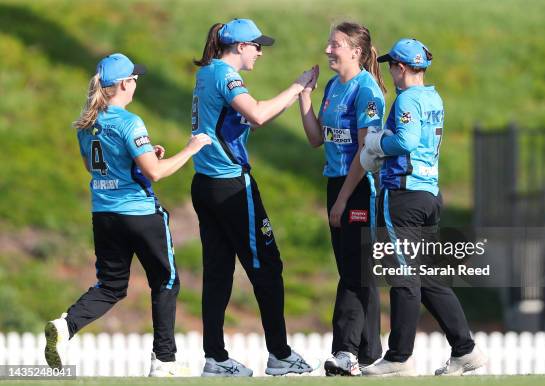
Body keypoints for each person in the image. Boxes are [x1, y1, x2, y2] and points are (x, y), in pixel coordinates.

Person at [44, 53, 211, 377]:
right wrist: (191, 148)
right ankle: (163, 361)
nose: (136, 84)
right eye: (134, 79)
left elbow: (97, 167)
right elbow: (157, 173)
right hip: (139, 214)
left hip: (104, 215)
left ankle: (66, 326)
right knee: (166, 281)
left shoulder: (86, 123)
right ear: (123, 84)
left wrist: (141, 158)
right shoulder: (129, 121)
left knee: (110, 286)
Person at [190, 19, 315, 377]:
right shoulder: (227, 77)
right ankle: (279, 355)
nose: (260, 51)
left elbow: (248, 120)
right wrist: (296, 87)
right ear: (240, 47)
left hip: (206, 184)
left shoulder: (207, 72)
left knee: (218, 273)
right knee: (268, 266)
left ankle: (215, 357)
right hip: (231, 186)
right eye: (256, 45)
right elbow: (257, 113)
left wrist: (291, 96)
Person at [360, 38, 487, 376]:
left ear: (401, 67)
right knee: (428, 278)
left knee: (403, 275)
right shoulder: (433, 96)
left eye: (391, 66)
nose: (390, 71)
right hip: (430, 195)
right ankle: (465, 349)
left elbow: (406, 141)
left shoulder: (407, 99)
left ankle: (399, 358)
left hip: (403, 195)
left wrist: (376, 144)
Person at [298, 21, 385, 376]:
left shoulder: (368, 91)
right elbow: (317, 138)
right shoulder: (333, 86)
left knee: (353, 268)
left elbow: (366, 153)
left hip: (358, 187)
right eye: (329, 43)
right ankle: (370, 353)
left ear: (356, 51)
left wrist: (344, 199)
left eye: (335, 44)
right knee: (357, 268)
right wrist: (304, 95)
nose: (328, 50)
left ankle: (345, 351)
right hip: (335, 183)